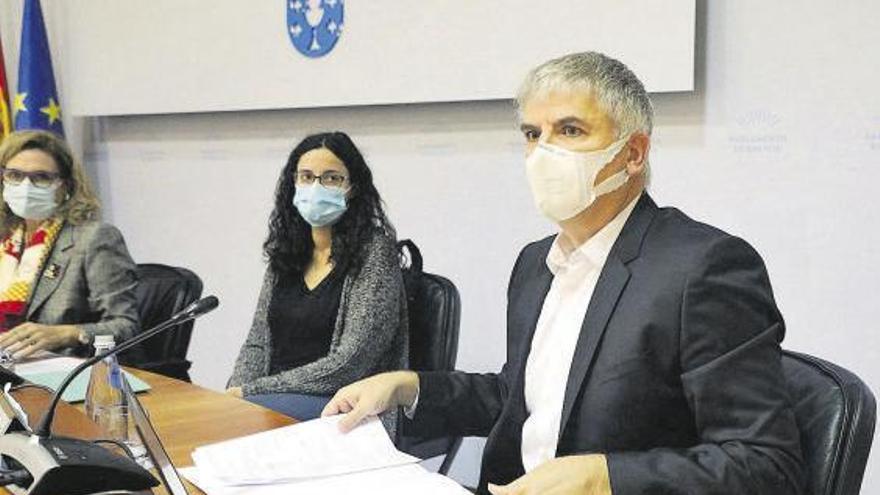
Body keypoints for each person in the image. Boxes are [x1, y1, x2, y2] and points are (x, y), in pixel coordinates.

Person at [322, 53, 805, 495]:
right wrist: (409, 386)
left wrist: (605, 477)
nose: (543, 153)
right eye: (533, 135)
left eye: (570, 131)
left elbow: (766, 465)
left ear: (633, 153)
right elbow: (519, 396)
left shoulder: (703, 267)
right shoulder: (535, 263)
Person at [227, 131, 407, 423]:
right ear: (293, 184)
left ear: (353, 187)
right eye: (306, 177)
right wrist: (233, 393)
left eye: (332, 178)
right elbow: (257, 342)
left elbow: (351, 363)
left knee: (247, 425)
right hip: (272, 398)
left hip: (341, 403)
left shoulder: (374, 253)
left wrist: (251, 391)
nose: (316, 187)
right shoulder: (287, 250)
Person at [0, 130, 139, 358]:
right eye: (15, 175)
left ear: (65, 187)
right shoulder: (6, 238)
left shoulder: (93, 238)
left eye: (41, 177)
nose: (26, 186)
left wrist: (68, 333)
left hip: (61, 374)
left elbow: (126, 327)